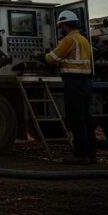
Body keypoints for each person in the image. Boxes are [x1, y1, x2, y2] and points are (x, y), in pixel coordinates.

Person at [43, 10, 96, 165]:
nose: (60, 29)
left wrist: (41, 56)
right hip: (86, 82)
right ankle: (91, 154)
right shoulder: (84, 40)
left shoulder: (69, 40)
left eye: (61, 26)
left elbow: (52, 58)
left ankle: (80, 155)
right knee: (86, 118)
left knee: (76, 119)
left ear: (65, 25)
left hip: (74, 82)